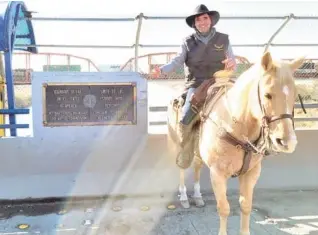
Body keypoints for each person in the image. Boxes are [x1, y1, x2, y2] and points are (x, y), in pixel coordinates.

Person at [153, 4, 237, 169]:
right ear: (194, 24)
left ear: (211, 20)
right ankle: (186, 151)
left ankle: (255, 145)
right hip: (196, 84)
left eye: (205, 18)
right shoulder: (187, 42)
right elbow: (178, 61)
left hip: (219, 82)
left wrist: (231, 64)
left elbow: (232, 60)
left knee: (242, 106)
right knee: (185, 117)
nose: (202, 22)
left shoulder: (224, 39)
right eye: (198, 19)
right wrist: (161, 70)